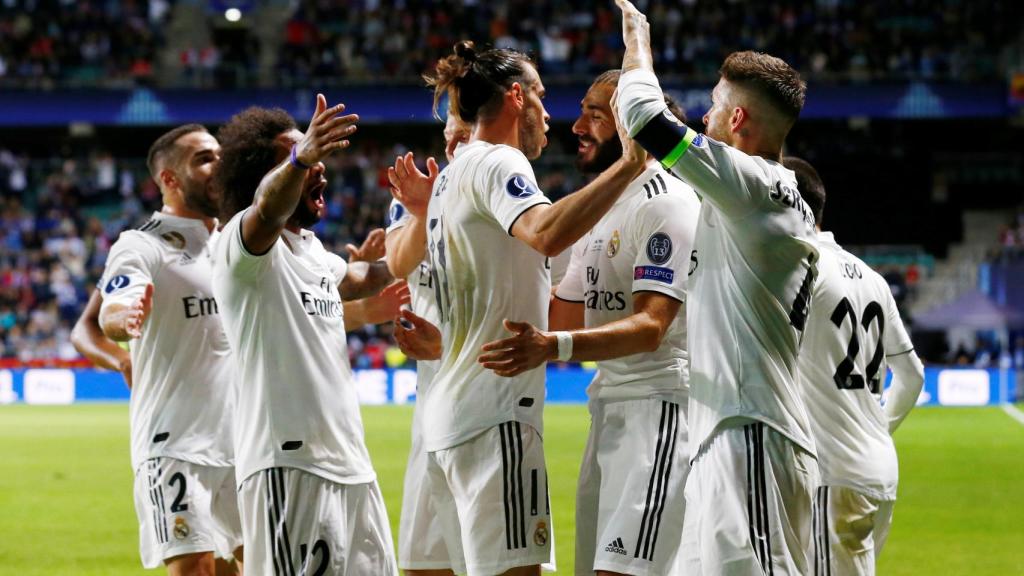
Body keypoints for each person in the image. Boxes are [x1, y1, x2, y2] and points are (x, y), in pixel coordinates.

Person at [396, 40, 646, 576]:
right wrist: (629, 165)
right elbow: (545, 232)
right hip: (496, 417)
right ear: (515, 97)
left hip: (450, 420)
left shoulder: (448, 181)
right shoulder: (498, 160)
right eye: (541, 94)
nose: (549, 113)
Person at [614, 1, 821, 573]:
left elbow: (641, 114)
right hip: (728, 436)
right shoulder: (765, 201)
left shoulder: (752, 183)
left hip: (750, 435)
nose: (704, 118)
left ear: (738, 122)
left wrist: (638, 44)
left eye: (712, 107)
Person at [476, 70, 700, 576]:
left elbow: (651, 328)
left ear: (632, 127)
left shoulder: (668, 201)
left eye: (594, 116)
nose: (576, 126)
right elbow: (559, 313)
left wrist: (551, 348)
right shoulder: (604, 207)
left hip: (660, 410)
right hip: (608, 410)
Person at [210, 98, 398, 575]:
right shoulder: (239, 247)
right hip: (288, 467)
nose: (321, 170)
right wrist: (301, 157)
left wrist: (429, 217)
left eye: (318, 159)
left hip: (352, 466)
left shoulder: (313, 252)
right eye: (302, 161)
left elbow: (369, 275)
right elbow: (267, 211)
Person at [95, 124, 243, 575]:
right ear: (169, 180)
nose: (218, 164)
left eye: (219, 154)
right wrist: (120, 318)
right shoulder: (143, 243)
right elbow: (113, 305)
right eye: (203, 158)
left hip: (240, 443)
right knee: (194, 567)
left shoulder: (234, 241)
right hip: (174, 445)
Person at [784, 156, 925, 575]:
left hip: (833, 475)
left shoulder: (801, 270)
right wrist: (877, 427)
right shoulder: (872, 278)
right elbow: (913, 375)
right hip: (879, 469)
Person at [385, 112, 473, 576]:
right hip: (430, 418)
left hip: (484, 412)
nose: (454, 140)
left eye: (464, 130)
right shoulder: (412, 199)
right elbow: (399, 261)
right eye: (448, 134)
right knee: (422, 566)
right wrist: (424, 209)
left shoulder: (508, 198)